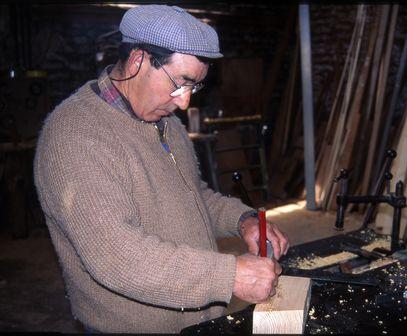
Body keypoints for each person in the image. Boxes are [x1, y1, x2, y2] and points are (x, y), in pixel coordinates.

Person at [33, 5, 289, 333]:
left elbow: (194, 198)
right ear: (138, 59)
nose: (184, 102)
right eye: (180, 82)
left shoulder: (165, 121)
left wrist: (243, 221)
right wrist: (230, 276)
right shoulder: (74, 135)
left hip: (196, 318)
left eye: (194, 87)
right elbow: (117, 257)